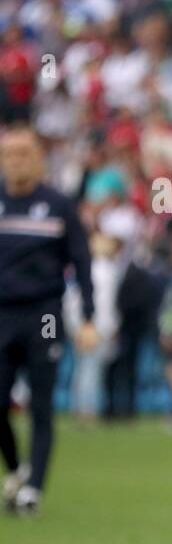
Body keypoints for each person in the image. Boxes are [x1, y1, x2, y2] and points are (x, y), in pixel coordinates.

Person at [0, 124, 97, 516]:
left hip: (44, 314)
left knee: (42, 405)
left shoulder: (58, 205)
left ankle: (33, 489)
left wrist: (88, 316)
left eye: (24, 153)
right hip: (2, 313)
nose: (16, 161)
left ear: (39, 159)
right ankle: (18, 468)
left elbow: (82, 260)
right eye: (9, 154)